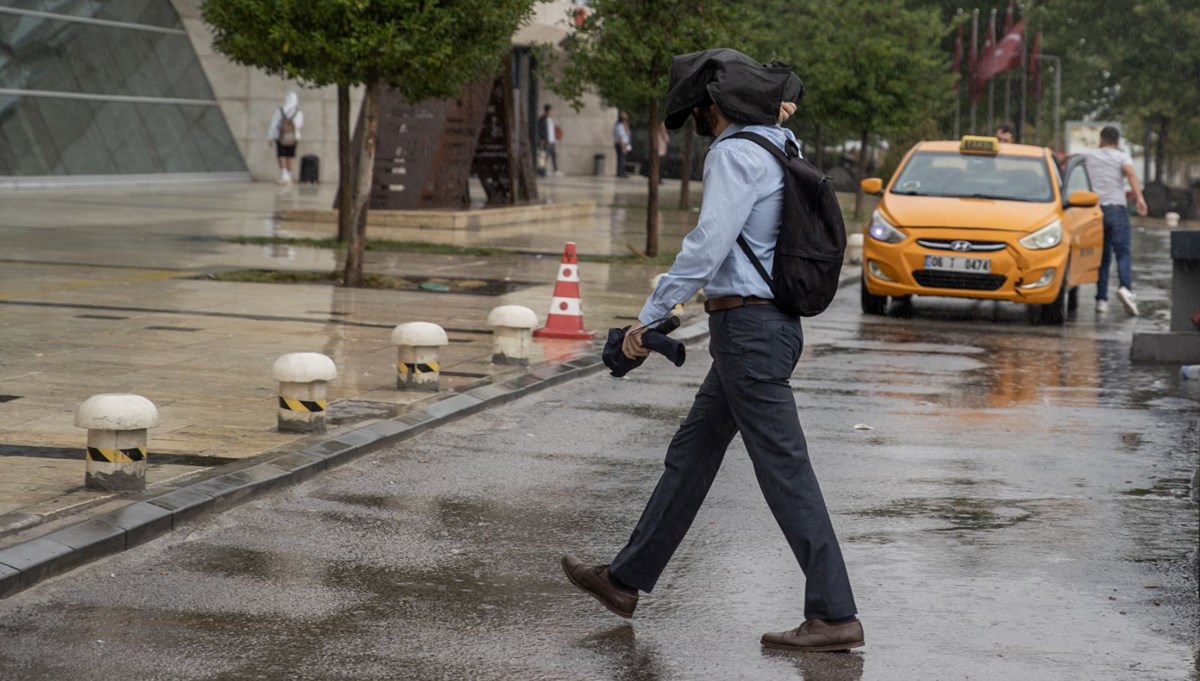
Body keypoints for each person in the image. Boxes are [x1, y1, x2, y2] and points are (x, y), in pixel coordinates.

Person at [561, 49, 862, 653]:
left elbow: (706, 247)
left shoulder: (734, 153)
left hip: (750, 334)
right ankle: (624, 580)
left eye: (697, 108)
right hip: (762, 329)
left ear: (714, 107)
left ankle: (833, 613)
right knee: (692, 453)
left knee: (784, 470)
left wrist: (644, 321)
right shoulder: (781, 145)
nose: (696, 119)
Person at [1083, 125, 1148, 315]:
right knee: (1123, 253)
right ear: (1117, 141)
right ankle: (1125, 289)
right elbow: (1130, 173)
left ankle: (1101, 300)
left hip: (1096, 211)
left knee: (1103, 258)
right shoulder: (1121, 157)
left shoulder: (1090, 156)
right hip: (1116, 210)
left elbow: (1068, 162)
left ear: (1101, 139)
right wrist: (1140, 198)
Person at [268, 92, 303, 185]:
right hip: (293, 138)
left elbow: (274, 124)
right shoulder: (298, 112)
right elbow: (299, 125)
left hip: (281, 137)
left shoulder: (280, 110)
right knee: (290, 156)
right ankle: (289, 174)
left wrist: (271, 136)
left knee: (281, 155)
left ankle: (284, 174)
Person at [537, 104, 558, 176]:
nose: (551, 112)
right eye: (550, 110)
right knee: (545, 156)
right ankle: (543, 170)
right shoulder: (542, 119)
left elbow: (551, 130)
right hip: (546, 140)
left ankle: (556, 170)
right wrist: (542, 138)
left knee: (554, 155)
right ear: (547, 111)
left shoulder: (550, 119)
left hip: (552, 140)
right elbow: (540, 130)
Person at [613, 111, 632, 178]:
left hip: (625, 144)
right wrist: (623, 147)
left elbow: (627, 133)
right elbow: (621, 138)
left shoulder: (624, 126)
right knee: (621, 159)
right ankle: (620, 173)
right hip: (621, 144)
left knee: (622, 159)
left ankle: (622, 172)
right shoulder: (619, 126)